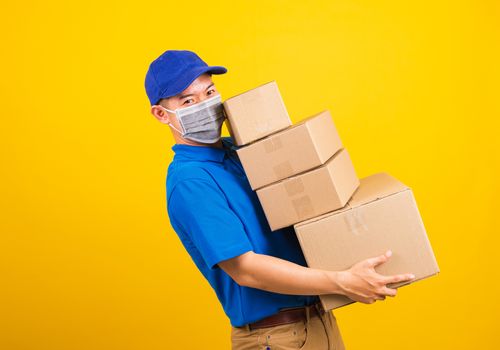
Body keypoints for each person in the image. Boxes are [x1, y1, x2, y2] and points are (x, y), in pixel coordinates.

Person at [144, 50, 416, 350]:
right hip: (276, 338)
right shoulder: (191, 181)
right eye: (188, 101)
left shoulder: (241, 151)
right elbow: (245, 269)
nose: (206, 105)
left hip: (318, 322)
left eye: (209, 92)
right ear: (161, 114)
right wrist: (342, 281)